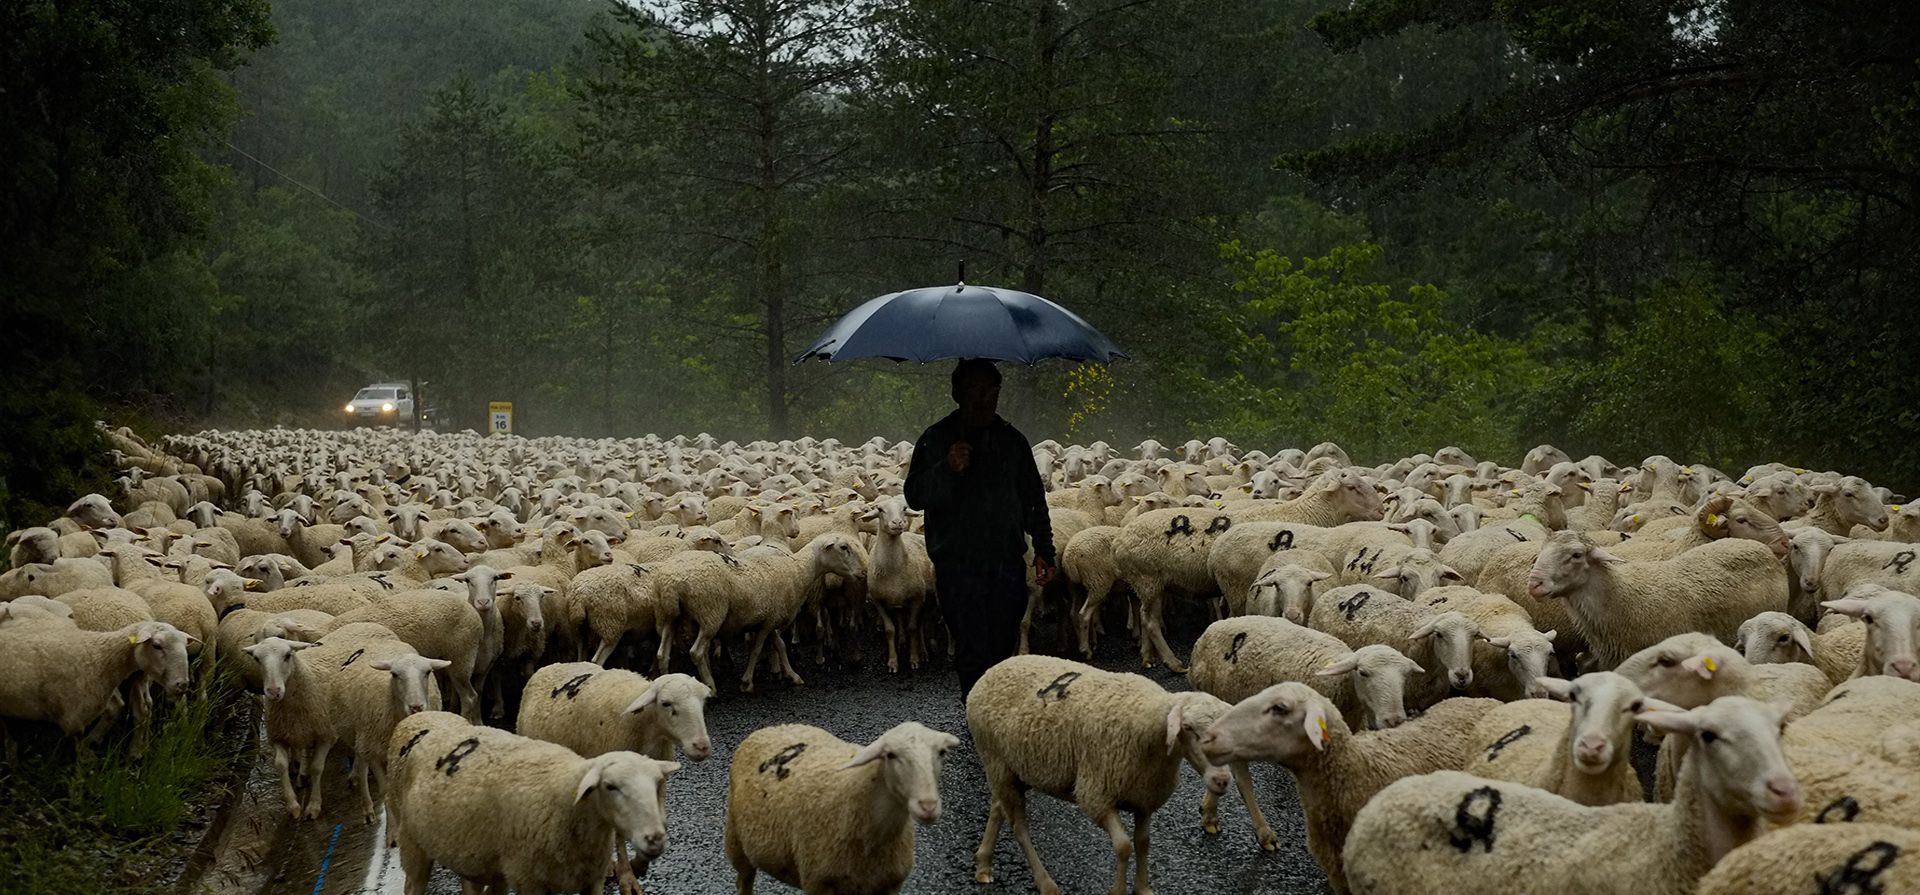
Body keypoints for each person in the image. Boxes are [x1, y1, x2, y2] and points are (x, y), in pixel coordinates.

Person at [905, 358, 1056, 696]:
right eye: (974, 390)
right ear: (957, 393)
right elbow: (914, 495)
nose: (984, 399)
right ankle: (978, 717)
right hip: (958, 565)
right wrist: (947, 467)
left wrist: (1044, 549)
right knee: (972, 649)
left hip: (1005, 562)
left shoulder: (1011, 441)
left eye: (992, 391)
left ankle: (997, 715)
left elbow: (1033, 499)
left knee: (1003, 645)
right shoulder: (936, 438)